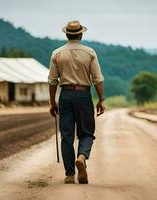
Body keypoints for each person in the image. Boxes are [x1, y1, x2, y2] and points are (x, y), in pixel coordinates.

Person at [48, 20, 105, 184]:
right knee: (87, 133)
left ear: (66, 34)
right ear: (81, 34)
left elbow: (52, 81)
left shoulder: (57, 53)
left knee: (66, 137)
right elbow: (97, 79)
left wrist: (53, 103)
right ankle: (82, 157)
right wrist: (101, 100)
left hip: (65, 95)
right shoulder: (90, 52)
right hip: (83, 95)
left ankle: (70, 174)